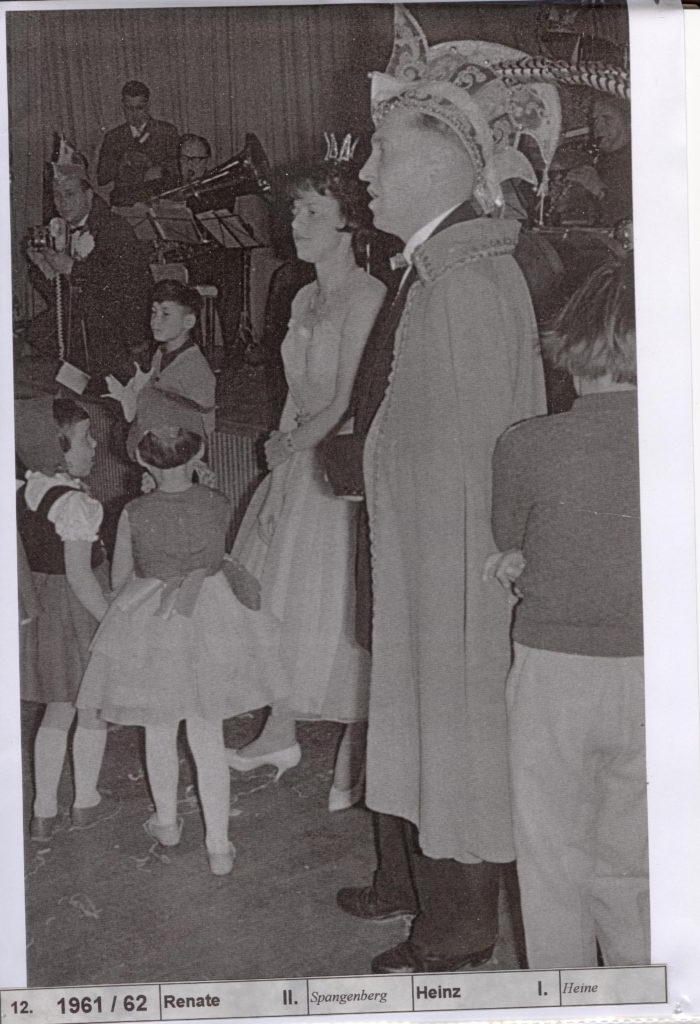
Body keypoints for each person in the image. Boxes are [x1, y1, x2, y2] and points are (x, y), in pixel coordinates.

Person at [328, 7, 555, 974]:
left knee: (453, 728)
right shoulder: (444, 268)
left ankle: (458, 931)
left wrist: (360, 461)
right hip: (426, 552)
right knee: (425, 721)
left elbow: (467, 468)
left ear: (440, 166)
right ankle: (423, 897)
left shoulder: (463, 283)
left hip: (452, 566)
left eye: (382, 152)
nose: (366, 173)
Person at [487, 257, 647, 969]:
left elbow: (510, 541)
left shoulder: (527, 444)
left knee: (551, 859)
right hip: (660, 673)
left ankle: (565, 1002)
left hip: (554, 674)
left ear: (571, 346)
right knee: (637, 865)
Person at [227, 154, 386, 809]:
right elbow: (297, 390)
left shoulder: (368, 295)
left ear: (349, 223)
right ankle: (280, 732)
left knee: (339, 609)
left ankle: (360, 753)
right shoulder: (300, 295)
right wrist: (278, 456)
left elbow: (347, 399)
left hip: (341, 463)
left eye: (312, 212)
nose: (296, 223)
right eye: (295, 210)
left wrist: (294, 445)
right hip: (299, 454)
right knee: (282, 604)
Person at [77, 404, 286, 875]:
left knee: (158, 728)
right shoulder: (217, 501)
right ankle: (219, 846)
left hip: (156, 619)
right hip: (211, 616)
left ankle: (167, 823)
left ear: (141, 460)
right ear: (200, 453)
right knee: (207, 732)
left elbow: (122, 577)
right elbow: (214, 550)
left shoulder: (134, 511)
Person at [16, 397, 112, 841]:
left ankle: (43, 812)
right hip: (78, 611)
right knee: (90, 707)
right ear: (57, 448)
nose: (94, 446)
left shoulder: (29, 490)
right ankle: (85, 801)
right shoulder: (75, 504)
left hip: (45, 610)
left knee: (58, 708)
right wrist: (110, 621)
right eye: (85, 438)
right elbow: (79, 575)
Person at [26, 147, 152, 392]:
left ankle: (99, 388)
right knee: (38, 332)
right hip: (84, 317)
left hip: (119, 321)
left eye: (70, 194)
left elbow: (122, 285)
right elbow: (59, 297)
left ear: (89, 195)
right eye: (57, 195)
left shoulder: (113, 228)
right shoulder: (60, 230)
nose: (62, 203)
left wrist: (71, 267)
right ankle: (82, 387)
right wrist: (44, 267)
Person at [104, 279, 216, 457]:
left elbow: (204, 426)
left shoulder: (195, 367)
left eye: (166, 314)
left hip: (179, 456)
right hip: (155, 448)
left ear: (188, 321)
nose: (155, 321)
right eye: (153, 312)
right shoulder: (160, 353)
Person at [97, 80, 180, 207]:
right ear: (122, 105)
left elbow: (179, 168)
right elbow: (102, 178)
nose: (134, 114)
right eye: (129, 108)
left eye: (139, 108)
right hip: (126, 204)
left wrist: (160, 169)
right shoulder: (113, 137)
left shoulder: (167, 132)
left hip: (160, 202)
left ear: (148, 105)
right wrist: (121, 163)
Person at [566, 93, 632, 225]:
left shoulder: (640, 159)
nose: (598, 126)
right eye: (595, 120)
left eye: (607, 118)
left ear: (628, 121)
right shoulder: (600, 159)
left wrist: (599, 190)